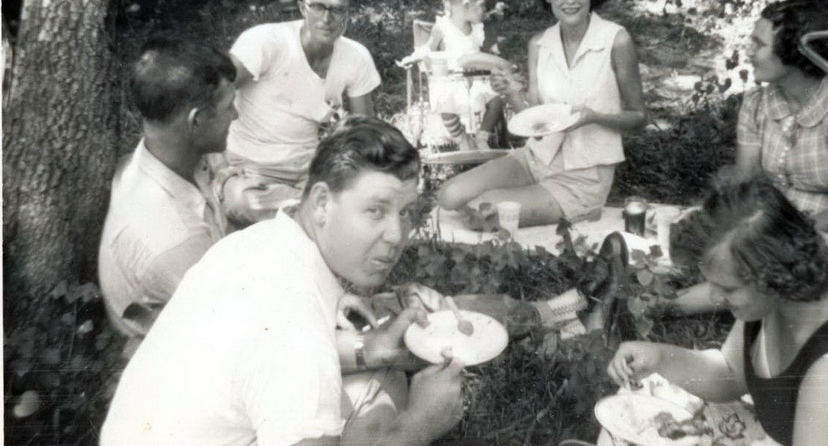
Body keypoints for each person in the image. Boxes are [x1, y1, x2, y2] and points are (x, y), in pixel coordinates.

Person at [101, 118, 630, 445]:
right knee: (392, 390)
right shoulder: (294, 338)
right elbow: (285, 352)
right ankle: (571, 319)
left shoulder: (255, 248)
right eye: (375, 210)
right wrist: (420, 426)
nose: (396, 235)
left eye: (404, 213)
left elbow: (246, 358)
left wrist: (367, 350)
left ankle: (567, 312)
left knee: (404, 337)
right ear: (322, 203)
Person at [608, 180, 828, 446]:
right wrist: (661, 358)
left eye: (728, 289)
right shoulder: (781, 300)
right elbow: (732, 374)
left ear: (772, 278)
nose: (716, 298)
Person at [672, 0, 828, 312]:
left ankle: (665, 307)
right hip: (771, 228)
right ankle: (687, 289)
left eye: (758, 44)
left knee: (761, 256)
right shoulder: (758, 103)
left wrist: (765, 238)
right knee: (697, 229)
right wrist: (718, 220)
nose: (748, 51)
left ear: (794, 53)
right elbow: (745, 186)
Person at [438, 0, 647, 228]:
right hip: (536, 160)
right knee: (448, 196)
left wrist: (592, 117)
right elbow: (535, 122)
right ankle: (530, 200)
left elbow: (638, 118)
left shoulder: (616, 40)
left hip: (583, 176)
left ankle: (574, 208)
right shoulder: (539, 43)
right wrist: (510, 92)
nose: (570, 0)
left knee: (478, 212)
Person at [98, 38, 237, 345]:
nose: (237, 116)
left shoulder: (166, 156)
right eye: (230, 107)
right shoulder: (173, 236)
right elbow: (241, 329)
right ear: (197, 121)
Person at [221, 0, 381, 226]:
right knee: (243, 201)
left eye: (336, 9)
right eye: (318, 6)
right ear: (302, 8)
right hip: (249, 171)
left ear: (347, 14)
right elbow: (212, 93)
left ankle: (306, 213)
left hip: (307, 170)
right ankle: (318, 215)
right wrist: (218, 165)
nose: (326, 18)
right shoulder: (265, 42)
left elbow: (367, 131)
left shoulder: (356, 57)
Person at [398, 0, 508, 151]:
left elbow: (486, 54)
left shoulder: (478, 28)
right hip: (449, 82)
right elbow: (428, 48)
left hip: (476, 80)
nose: (484, 10)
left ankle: (482, 137)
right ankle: (461, 137)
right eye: (481, 5)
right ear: (466, 5)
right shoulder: (442, 28)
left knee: (497, 101)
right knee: (444, 105)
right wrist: (414, 56)